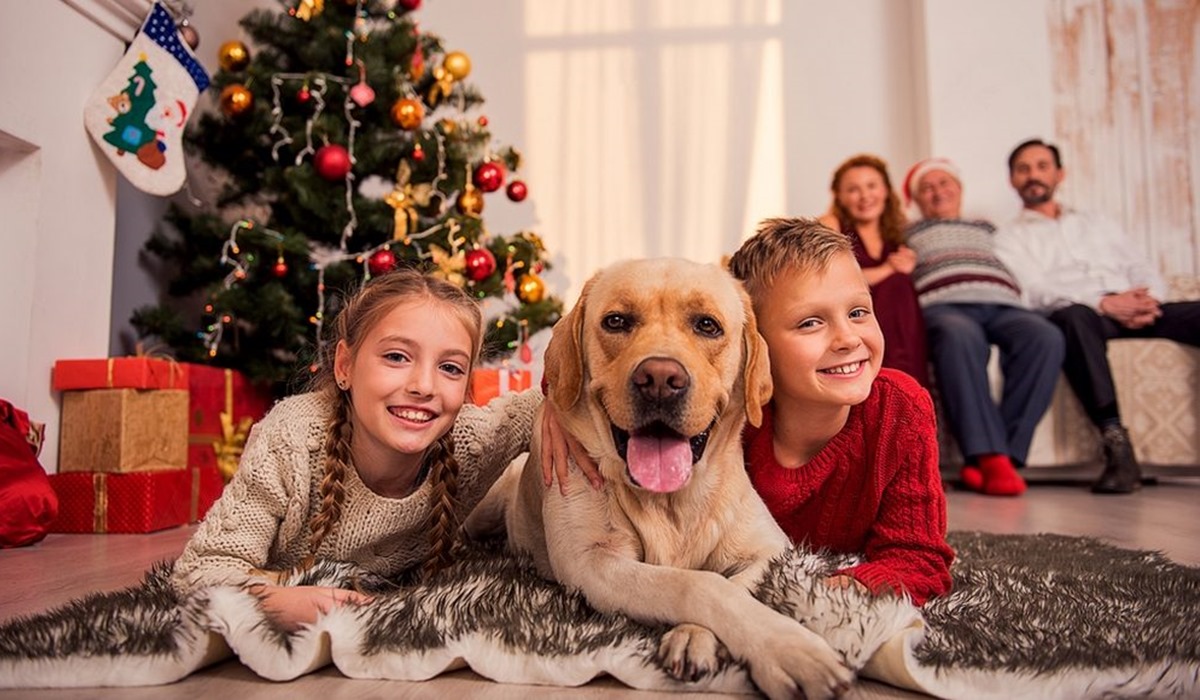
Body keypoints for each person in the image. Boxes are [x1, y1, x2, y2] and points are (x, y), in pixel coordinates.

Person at [171, 269, 542, 631]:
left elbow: (547, 401)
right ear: (345, 365)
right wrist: (274, 602)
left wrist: (553, 416)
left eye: (450, 367)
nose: (424, 385)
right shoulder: (293, 439)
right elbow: (201, 569)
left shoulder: (469, 441)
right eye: (397, 357)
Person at [994, 138, 1200, 494]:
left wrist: (1148, 299)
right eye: (1023, 169)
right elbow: (1034, 290)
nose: (1033, 175)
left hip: (1139, 306)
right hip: (1087, 317)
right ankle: (1116, 443)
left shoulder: (1097, 222)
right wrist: (1103, 303)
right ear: (1012, 180)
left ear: (1060, 173)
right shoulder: (1009, 237)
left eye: (1042, 166)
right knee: (1073, 317)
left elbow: (1139, 264)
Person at [902, 157, 1064, 497]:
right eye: (927, 188)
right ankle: (988, 457)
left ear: (959, 190)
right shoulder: (906, 233)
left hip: (1003, 303)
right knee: (958, 336)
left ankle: (1006, 455)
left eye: (945, 183)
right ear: (916, 200)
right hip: (944, 304)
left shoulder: (988, 227)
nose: (938, 192)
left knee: (1045, 336)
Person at [819, 154, 930, 388]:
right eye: (853, 189)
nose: (865, 196)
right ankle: (892, 383)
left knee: (900, 284)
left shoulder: (900, 233)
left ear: (886, 191)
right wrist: (889, 269)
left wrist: (906, 268)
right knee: (896, 281)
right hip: (853, 319)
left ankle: (907, 388)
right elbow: (833, 281)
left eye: (872, 186)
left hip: (901, 328)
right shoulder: (832, 225)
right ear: (839, 196)